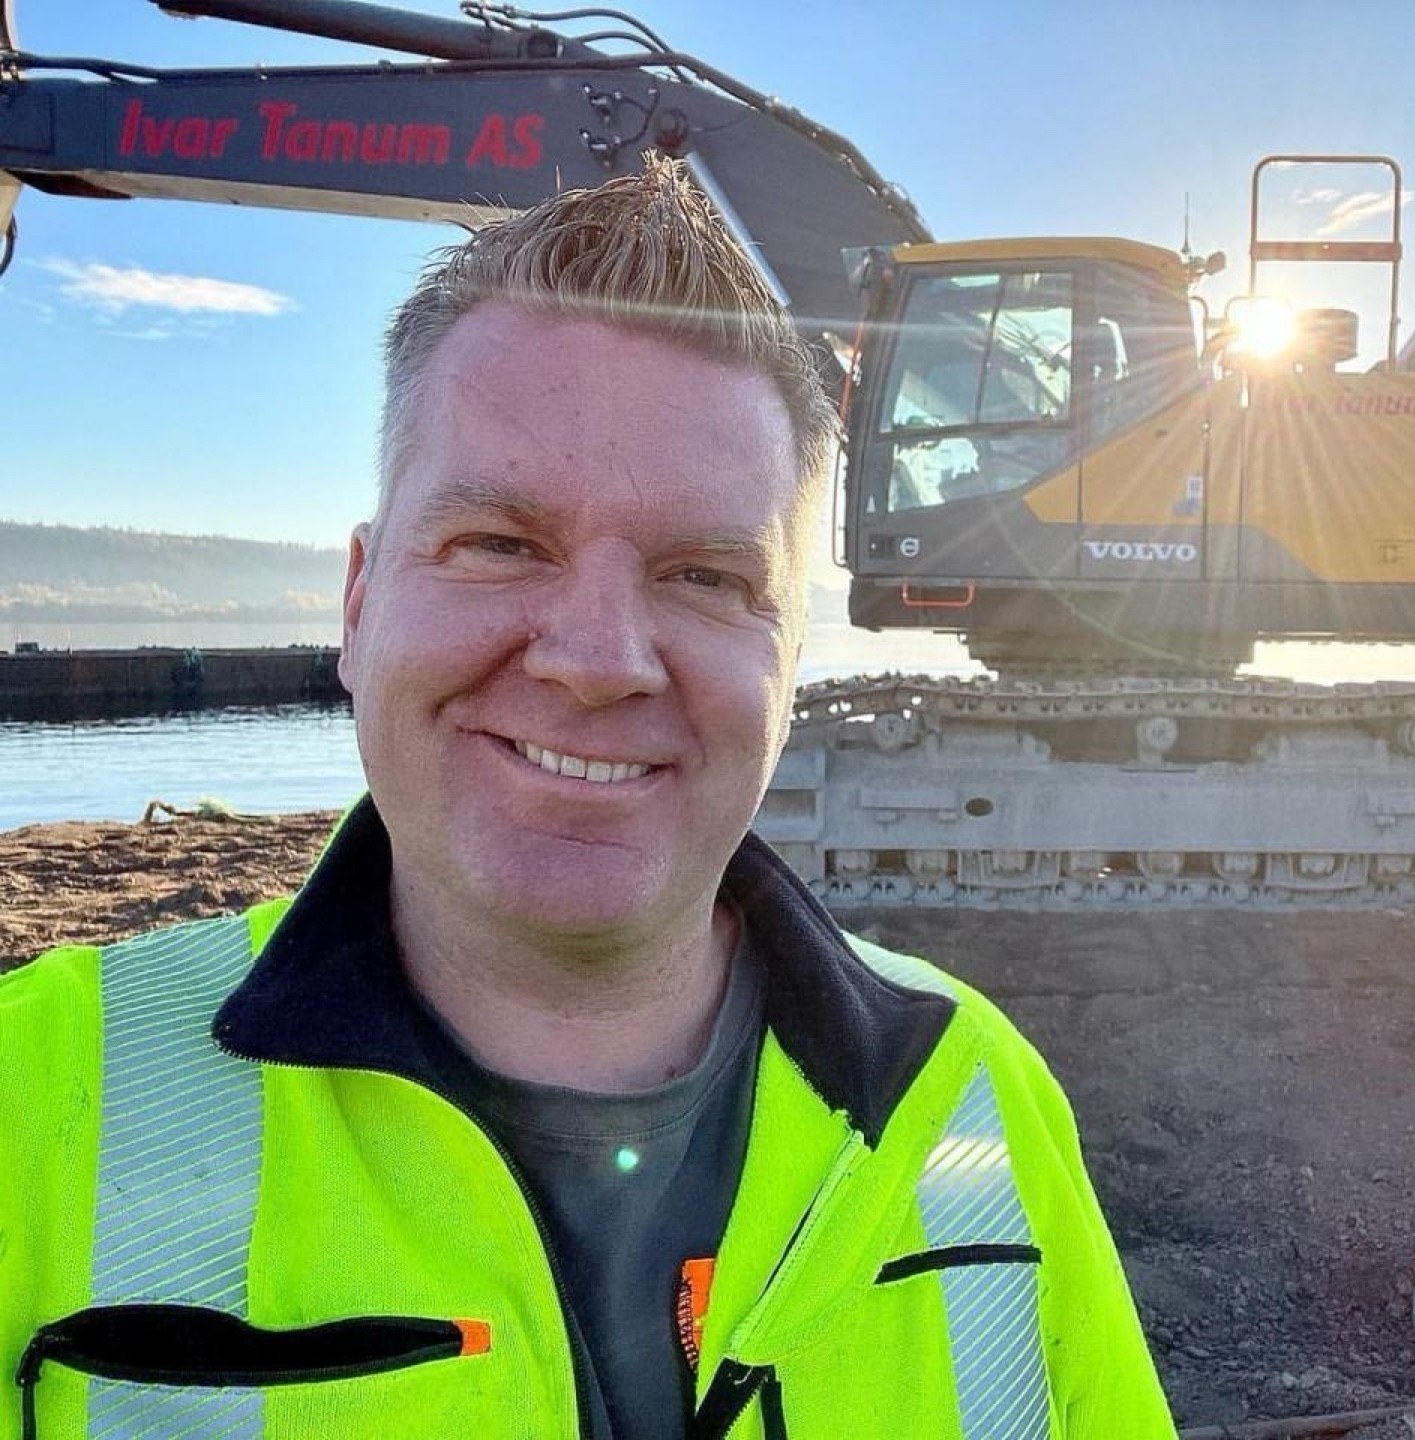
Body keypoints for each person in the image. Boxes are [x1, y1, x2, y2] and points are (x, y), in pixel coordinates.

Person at [0, 158, 1176, 1439]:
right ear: (358, 602)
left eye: (706, 575)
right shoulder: (32, 1098)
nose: (599, 659)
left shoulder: (978, 1094)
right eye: (499, 544)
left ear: (792, 657)